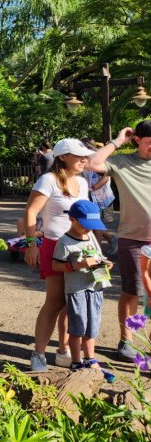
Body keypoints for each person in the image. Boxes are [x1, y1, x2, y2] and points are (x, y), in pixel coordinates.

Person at [24, 139, 93, 372]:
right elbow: (31, 212)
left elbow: (85, 217)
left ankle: (63, 351)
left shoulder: (83, 183)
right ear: (63, 157)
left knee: (72, 301)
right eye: (79, 155)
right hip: (55, 245)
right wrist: (32, 243)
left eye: (86, 156)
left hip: (80, 246)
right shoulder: (48, 180)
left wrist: (95, 245)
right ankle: (39, 354)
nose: (84, 159)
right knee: (54, 302)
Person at [87, 121, 151, 361]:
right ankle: (127, 340)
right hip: (134, 239)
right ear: (136, 140)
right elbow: (93, 163)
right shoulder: (122, 162)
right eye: (149, 144)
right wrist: (117, 140)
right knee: (133, 290)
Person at [51, 200, 115, 380]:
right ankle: (76, 361)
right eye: (86, 225)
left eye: (92, 226)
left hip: (96, 287)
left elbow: (98, 255)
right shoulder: (64, 241)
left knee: (92, 327)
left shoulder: (91, 236)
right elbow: (56, 265)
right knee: (78, 326)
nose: (89, 229)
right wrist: (78, 265)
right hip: (77, 290)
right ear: (72, 219)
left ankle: (90, 358)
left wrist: (105, 262)